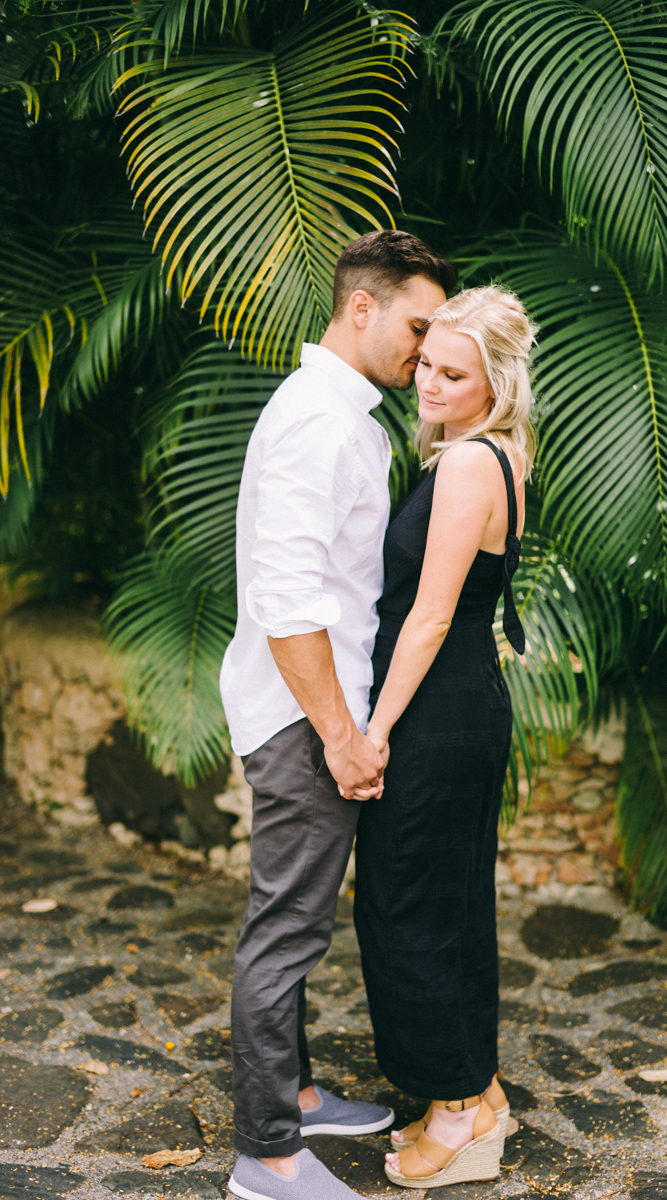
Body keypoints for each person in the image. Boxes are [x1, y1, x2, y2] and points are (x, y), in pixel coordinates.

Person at [221, 230, 457, 1200]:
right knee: (284, 932)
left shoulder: (342, 413)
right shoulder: (318, 420)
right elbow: (287, 603)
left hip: (316, 710)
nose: (424, 347)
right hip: (301, 719)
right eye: (415, 324)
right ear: (360, 307)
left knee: (301, 923)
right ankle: (268, 1153)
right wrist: (338, 736)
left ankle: (299, 1093)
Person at [353, 285, 537, 1190]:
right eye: (425, 360)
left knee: (411, 909)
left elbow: (426, 619)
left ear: (496, 383)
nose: (427, 380)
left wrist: (375, 731)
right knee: (450, 906)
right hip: (459, 706)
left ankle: (459, 1115)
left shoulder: (469, 467)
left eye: (453, 372)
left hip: (434, 710)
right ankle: (481, 1090)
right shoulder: (492, 456)